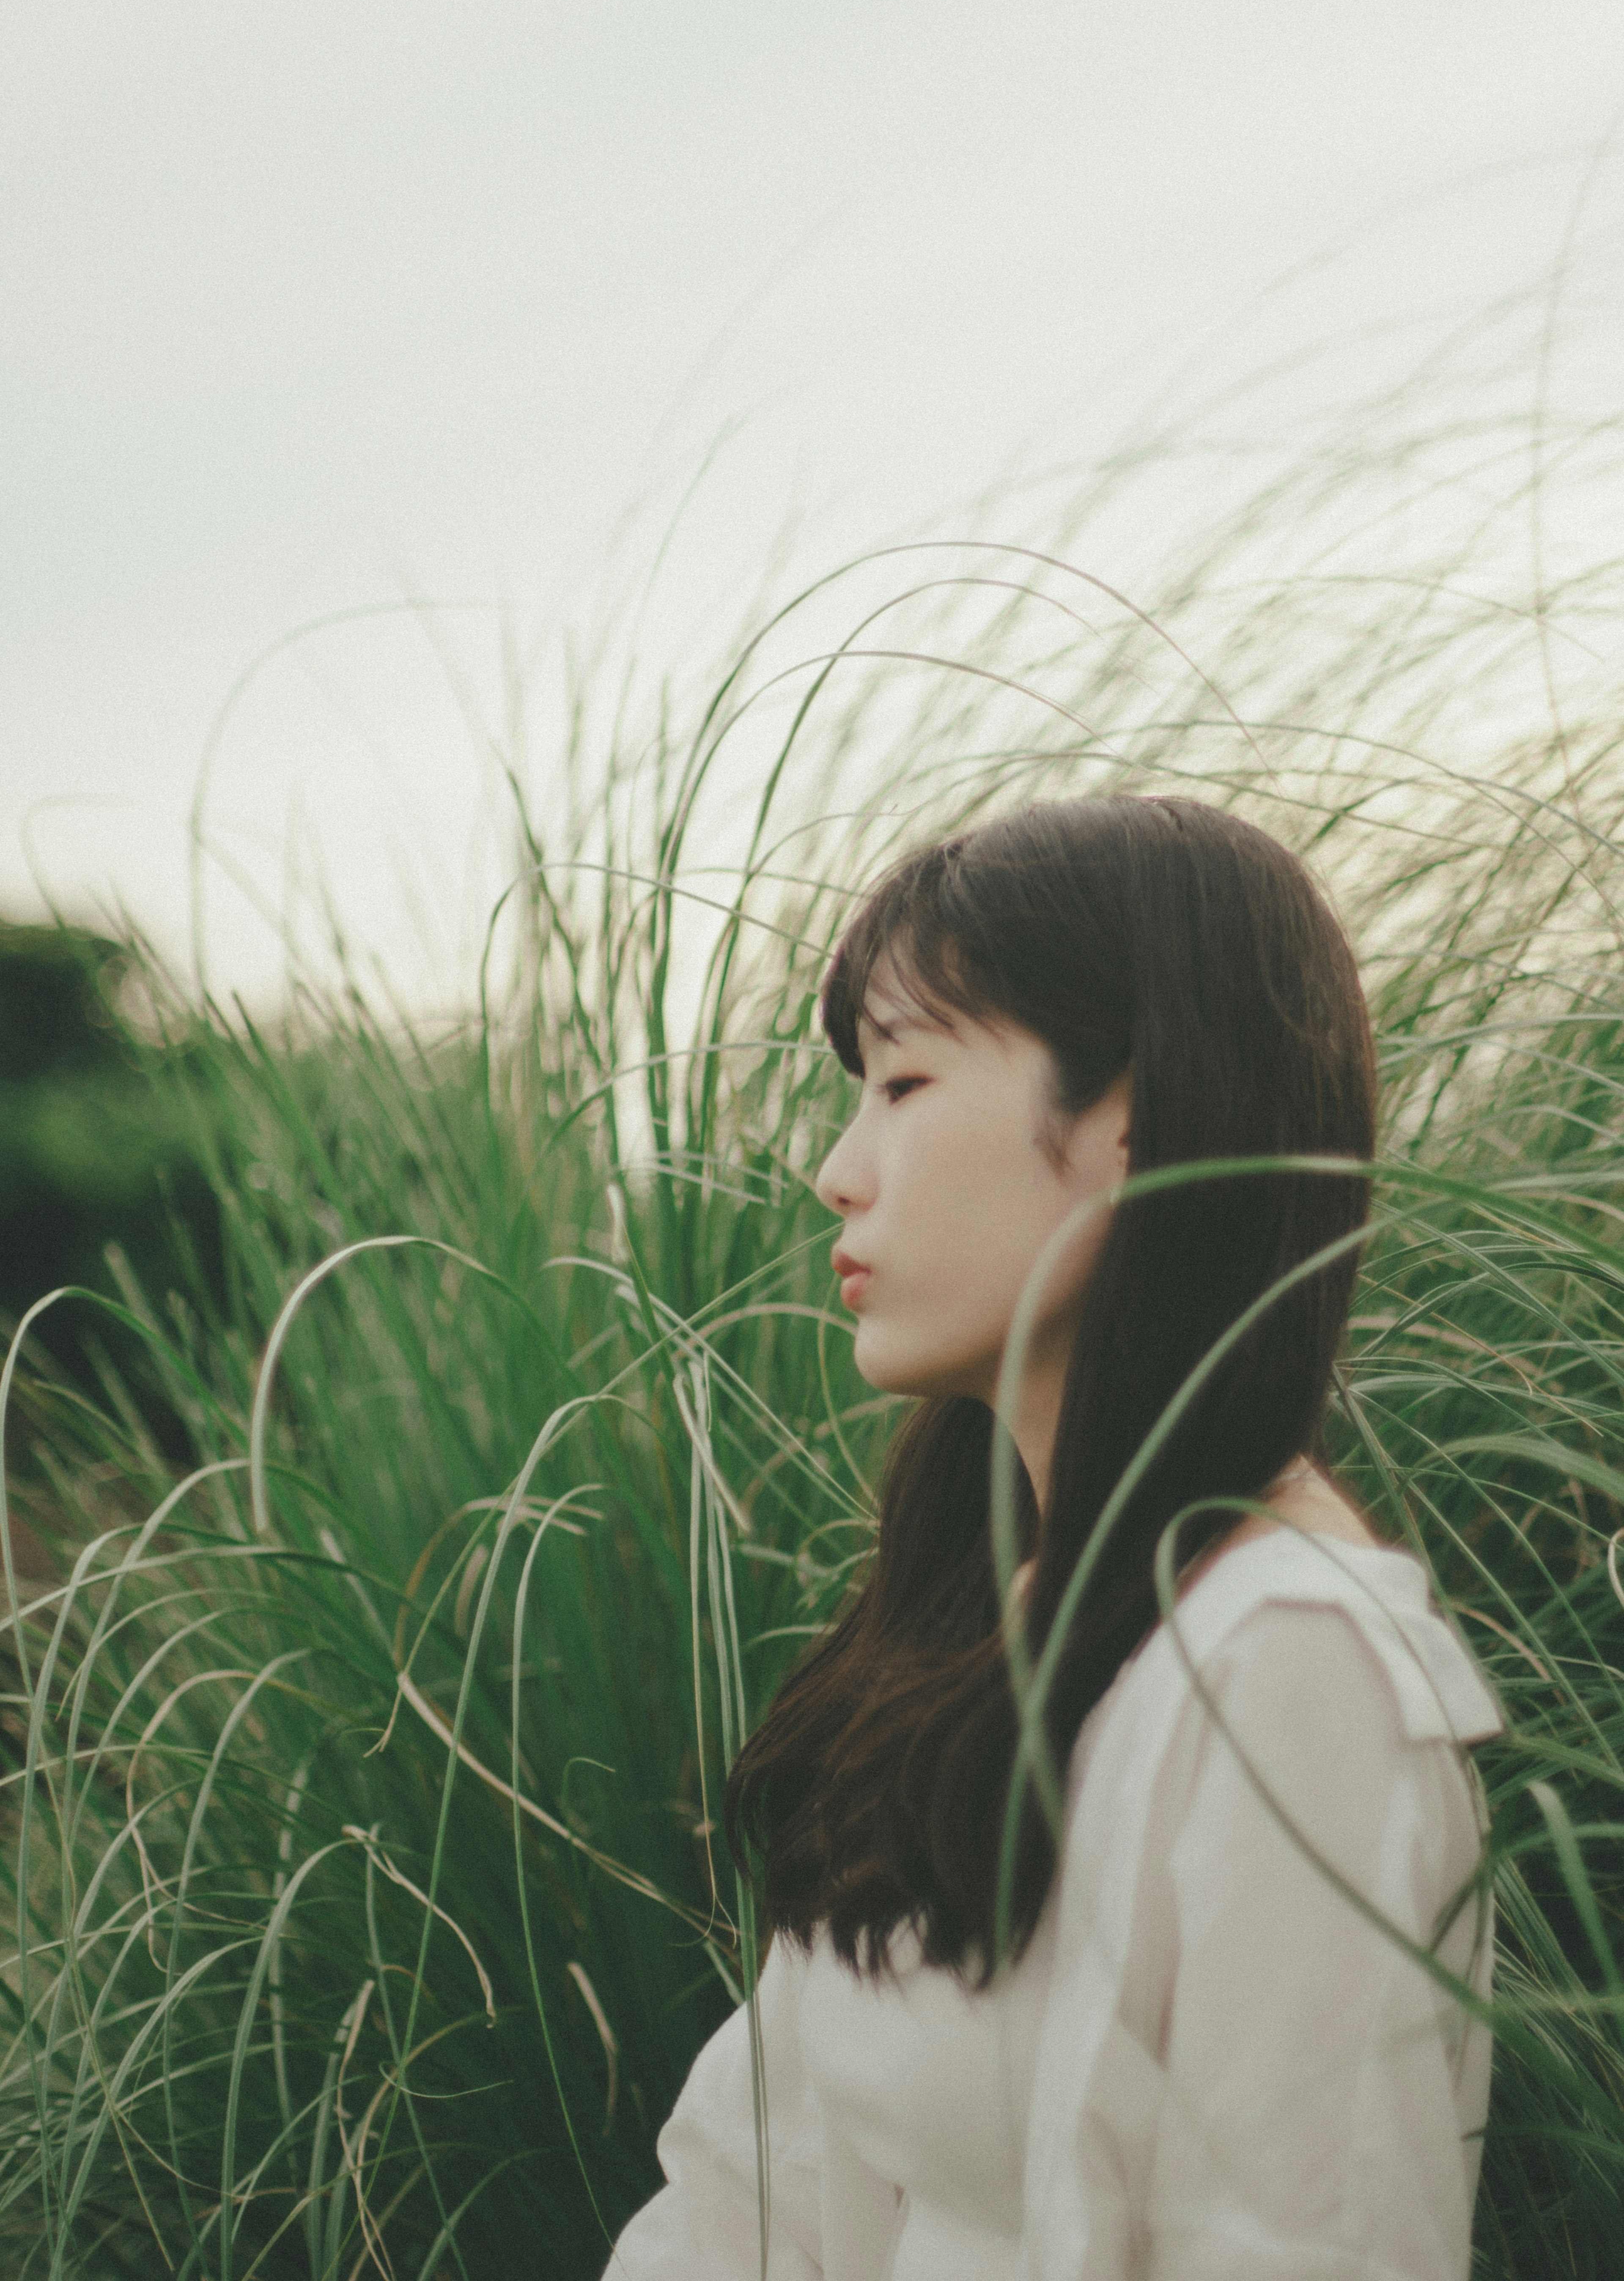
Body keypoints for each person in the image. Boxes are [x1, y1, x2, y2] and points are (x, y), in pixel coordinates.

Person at [606, 795, 1501, 2281]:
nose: (837, 1170)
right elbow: (747, 2178)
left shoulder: (1292, 1671)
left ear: (1131, 1123)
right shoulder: (979, 1605)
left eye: (900, 1083)